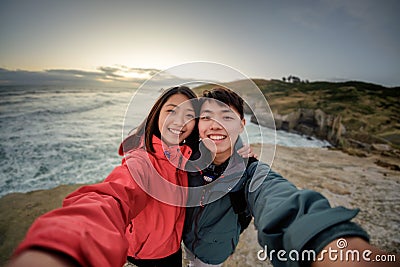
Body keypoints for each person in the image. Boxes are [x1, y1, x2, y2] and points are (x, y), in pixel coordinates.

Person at [6, 85, 253, 267]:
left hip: (173, 248)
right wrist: (64, 244)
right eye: (171, 111)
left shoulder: (189, 157)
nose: (180, 121)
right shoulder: (142, 160)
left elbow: (218, 147)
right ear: (156, 115)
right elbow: (112, 195)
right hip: (146, 255)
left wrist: (236, 152)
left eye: (189, 116)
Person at [183, 87, 399, 267]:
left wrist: (321, 239)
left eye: (226, 116)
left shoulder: (251, 171)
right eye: (207, 117)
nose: (215, 124)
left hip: (213, 254)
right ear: (197, 125)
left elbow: (278, 199)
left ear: (241, 125)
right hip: (183, 242)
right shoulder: (185, 158)